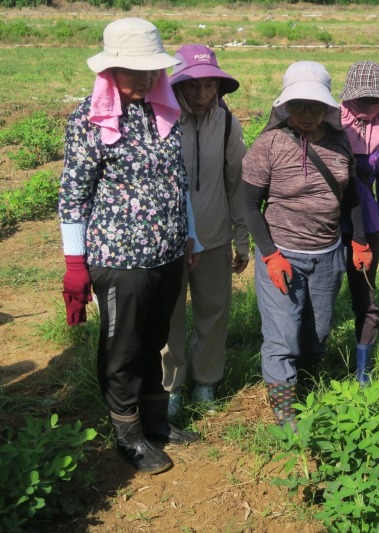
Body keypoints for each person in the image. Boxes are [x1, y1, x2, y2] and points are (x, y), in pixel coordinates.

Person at [58, 17, 200, 475]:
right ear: (109, 70)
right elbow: (73, 195)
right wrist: (74, 263)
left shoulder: (163, 112)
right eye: (131, 71)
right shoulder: (90, 119)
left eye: (150, 70)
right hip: (120, 258)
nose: (143, 79)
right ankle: (128, 433)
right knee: (124, 347)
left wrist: (190, 234)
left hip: (168, 251)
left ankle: (156, 420)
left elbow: (178, 180)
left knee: (155, 338)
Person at [242, 61, 373, 428]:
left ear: (326, 107)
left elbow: (351, 197)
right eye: (298, 105)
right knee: (282, 337)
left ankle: (306, 387)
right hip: (283, 253)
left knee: (317, 334)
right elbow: (250, 205)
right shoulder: (269, 145)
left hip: (328, 254)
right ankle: (286, 413)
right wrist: (270, 255)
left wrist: (359, 241)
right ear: (285, 106)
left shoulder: (339, 142)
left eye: (315, 106)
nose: (307, 113)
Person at [161, 44, 249, 417]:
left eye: (209, 85)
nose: (201, 94)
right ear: (177, 85)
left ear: (219, 87)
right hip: (168, 240)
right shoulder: (161, 121)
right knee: (167, 316)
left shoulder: (227, 124)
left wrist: (241, 238)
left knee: (213, 313)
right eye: (193, 86)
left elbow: (237, 183)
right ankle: (170, 387)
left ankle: (206, 382)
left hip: (214, 236)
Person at [339, 60, 379, 384]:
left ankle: (363, 373)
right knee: (320, 294)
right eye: (363, 98)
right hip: (328, 221)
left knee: (366, 298)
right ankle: (309, 363)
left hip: (367, 223)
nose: (370, 105)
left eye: (376, 99)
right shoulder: (330, 122)